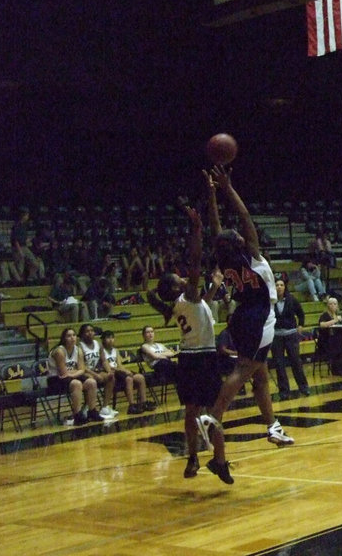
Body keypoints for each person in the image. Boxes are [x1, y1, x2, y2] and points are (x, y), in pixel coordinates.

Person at [196, 165, 294, 485]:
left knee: (259, 375)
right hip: (259, 317)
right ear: (241, 242)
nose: (241, 232)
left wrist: (211, 194)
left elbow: (216, 228)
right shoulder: (251, 255)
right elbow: (246, 217)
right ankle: (212, 416)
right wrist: (227, 188)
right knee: (243, 372)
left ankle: (272, 427)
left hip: (240, 316)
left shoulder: (224, 258)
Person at [146, 205, 226, 480]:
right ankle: (218, 459)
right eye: (180, 277)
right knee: (215, 409)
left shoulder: (176, 306)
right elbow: (195, 258)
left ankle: (192, 457)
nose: (185, 276)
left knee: (191, 410)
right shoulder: (189, 294)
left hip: (188, 358)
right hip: (203, 357)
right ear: (177, 286)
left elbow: (203, 307)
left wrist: (214, 286)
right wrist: (196, 228)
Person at [47, 327, 103, 425]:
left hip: (71, 377)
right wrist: (76, 371)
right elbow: (63, 374)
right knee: (77, 384)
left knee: (91, 382)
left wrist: (73, 372)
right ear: (64, 338)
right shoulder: (59, 351)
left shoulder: (78, 350)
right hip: (55, 379)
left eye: (74, 335)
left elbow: (82, 369)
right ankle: (77, 415)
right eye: (69, 336)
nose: (72, 338)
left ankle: (92, 411)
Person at [272, 278, 310, 399]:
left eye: (281, 285)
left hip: (291, 334)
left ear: (285, 287)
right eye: (277, 285)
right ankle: (284, 391)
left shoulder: (292, 299)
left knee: (296, 362)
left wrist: (300, 325)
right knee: (279, 364)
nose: (279, 287)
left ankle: (304, 387)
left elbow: (301, 314)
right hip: (276, 336)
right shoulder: (271, 301)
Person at [99, 330, 153, 415]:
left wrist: (125, 370)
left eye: (112, 337)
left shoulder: (115, 350)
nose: (110, 340)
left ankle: (143, 403)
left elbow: (119, 364)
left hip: (119, 371)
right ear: (103, 340)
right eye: (108, 338)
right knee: (128, 379)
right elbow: (106, 366)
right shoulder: (101, 351)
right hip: (111, 373)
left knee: (140, 377)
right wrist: (123, 371)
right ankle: (131, 405)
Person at [78, 323, 118, 419]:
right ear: (82, 334)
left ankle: (104, 407)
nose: (90, 333)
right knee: (92, 380)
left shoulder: (97, 344)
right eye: (87, 331)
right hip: (83, 371)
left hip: (95, 370)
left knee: (111, 377)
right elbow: (82, 365)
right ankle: (87, 407)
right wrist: (95, 375)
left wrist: (109, 371)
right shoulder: (80, 346)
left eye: (92, 331)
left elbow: (104, 360)